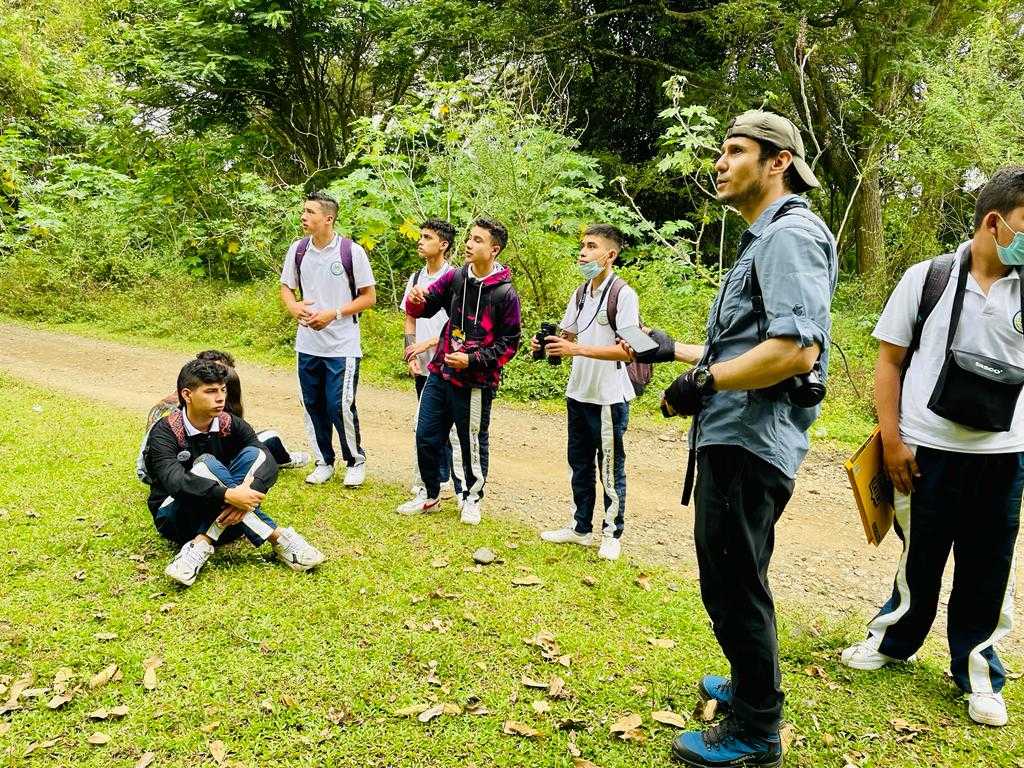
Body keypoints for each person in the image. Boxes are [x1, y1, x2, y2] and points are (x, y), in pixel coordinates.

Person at [657, 111, 837, 767]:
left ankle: (757, 729)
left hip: (750, 441)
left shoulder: (789, 237)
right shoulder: (765, 241)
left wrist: (701, 382)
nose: (719, 163)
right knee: (734, 572)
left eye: (735, 151)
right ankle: (746, 683)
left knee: (734, 582)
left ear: (777, 161)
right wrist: (681, 357)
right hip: (737, 437)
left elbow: (794, 350)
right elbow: (752, 344)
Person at [841, 166, 1024, 728]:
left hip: (1003, 456)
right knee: (918, 558)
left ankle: (977, 670)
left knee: (987, 568)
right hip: (925, 453)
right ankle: (893, 641)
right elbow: (890, 361)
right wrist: (893, 440)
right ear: (995, 224)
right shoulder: (929, 279)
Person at [143, 359, 325, 587]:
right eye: (210, 391)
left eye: (223, 390)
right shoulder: (164, 432)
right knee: (206, 465)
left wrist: (245, 495)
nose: (220, 398)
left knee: (254, 453)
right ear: (187, 395)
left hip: (231, 524)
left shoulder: (231, 423)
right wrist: (228, 496)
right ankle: (278, 537)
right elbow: (175, 481)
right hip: (176, 518)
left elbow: (266, 460)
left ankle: (200, 544)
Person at [397, 218, 522, 525]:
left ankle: (471, 498)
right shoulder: (455, 277)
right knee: (425, 434)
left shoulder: (505, 294)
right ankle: (428, 496)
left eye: (478, 240)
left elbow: (509, 344)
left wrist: (473, 359)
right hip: (440, 372)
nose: (468, 243)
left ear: (494, 250)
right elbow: (424, 307)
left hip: (476, 381)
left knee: (471, 441)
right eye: (469, 238)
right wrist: (416, 300)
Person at [533, 224, 638, 561]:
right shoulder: (580, 294)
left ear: (610, 255)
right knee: (578, 463)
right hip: (578, 391)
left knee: (610, 467)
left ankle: (611, 533)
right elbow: (568, 333)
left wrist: (576, 350)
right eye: (582, 246)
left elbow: (630, 349)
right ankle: (580, 527)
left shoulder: (623, 295)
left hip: (608, 396)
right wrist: (545, 343)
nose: (583, 253)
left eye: (591, 246)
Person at [280, 191, 377, 487]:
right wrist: (294, 306)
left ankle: (354, 460)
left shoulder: (351, 252)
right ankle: (324, 460)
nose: (303, 216)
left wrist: (333, 314)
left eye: (310, 212)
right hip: (307, 344)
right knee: (312, 403)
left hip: (342, 345)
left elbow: (369, 297)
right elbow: (286, 287)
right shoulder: (298, 250)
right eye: (303, 211)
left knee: (339, 403)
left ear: (328, 219)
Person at [136, 350, 309, 483]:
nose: (220, 394)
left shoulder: (192, 399)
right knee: (270, 438)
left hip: (166, 469)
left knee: (256, 447)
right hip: (169, 472)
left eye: (223, 388)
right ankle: (285, 459)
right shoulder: (173, 419)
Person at [400, 219, 464, 501]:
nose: (420, 241)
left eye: (427, 237)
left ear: (444, 245)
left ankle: (450, 479)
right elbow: (410, 317)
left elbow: (462, 326)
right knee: (428, 422)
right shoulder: (415, 278)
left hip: (448, 361)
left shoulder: (456, 279)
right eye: (420, 236)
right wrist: (411, 351)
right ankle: (436, 476)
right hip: (423, 363)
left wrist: (430, 343)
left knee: (447, 424)